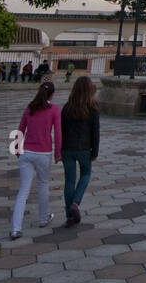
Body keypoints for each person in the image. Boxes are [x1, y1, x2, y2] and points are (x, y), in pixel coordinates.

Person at [11, 80, 61, 238]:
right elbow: (58, 133)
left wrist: (18, 150)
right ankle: (43, 218)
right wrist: (57, 153)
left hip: (27, 153)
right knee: (43, 185)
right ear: (52, 95)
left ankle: (16, 228)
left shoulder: (30, 108)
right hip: (43, 153)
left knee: (23, 190)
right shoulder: (54, 109)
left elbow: (20, 130)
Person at [60, 76, 100, 226]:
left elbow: (61, 130)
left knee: (69, 180)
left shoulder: (67, 107)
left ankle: (69, 214)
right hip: (84, 148)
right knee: (86, 174)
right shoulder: (92, 108)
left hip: (67, 148)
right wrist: (95, 152)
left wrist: (59, 148)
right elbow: (95, 132)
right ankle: (75, 203)